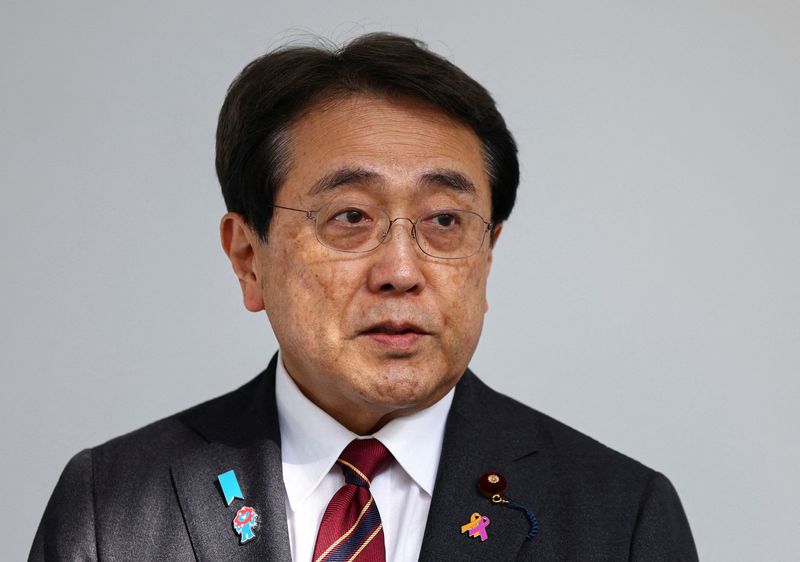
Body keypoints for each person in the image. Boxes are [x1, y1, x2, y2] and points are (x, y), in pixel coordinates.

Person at [30, 33, 698, 561]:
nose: (401, 271)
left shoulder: (621, 517)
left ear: (488, 255)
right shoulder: (110, 508)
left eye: (445, 221)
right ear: (248, 258)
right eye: (350, 217)